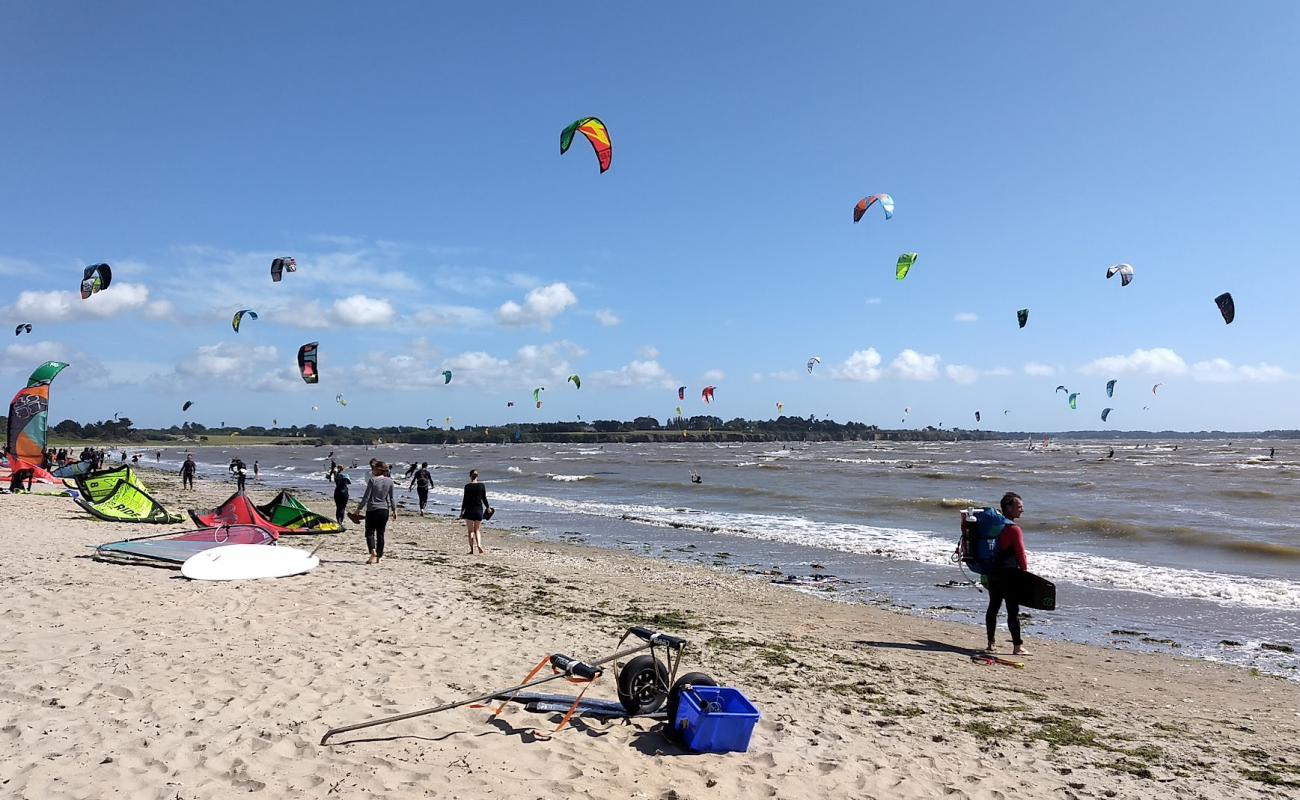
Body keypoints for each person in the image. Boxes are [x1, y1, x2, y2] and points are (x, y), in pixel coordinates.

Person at [983, 492, 1029, 656]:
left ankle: (990, 643)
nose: (1022, 510)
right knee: (1012, 610)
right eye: (1019, 507)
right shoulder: (1013, 529)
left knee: (993, 606)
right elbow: (1020, 553)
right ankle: (1017, 647)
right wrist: (1025, 572)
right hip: (1009, 575)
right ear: (1008, 508)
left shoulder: (993, 525)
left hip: (992, 572)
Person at [357, 461, 396, 564]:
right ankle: (379, 557)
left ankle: (373, 552)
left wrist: (358, 509)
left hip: (372, 509)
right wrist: (394, 510)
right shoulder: (390, 481)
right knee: (381, 534)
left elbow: (366, 497)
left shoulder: (372, 480)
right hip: (384, 510)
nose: (372, 470)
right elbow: (391, 498)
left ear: (378, 469)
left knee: (369, 532)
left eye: (374, 468)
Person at [459, 469, 490, 555]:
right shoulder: (482, 486)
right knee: (477, 530)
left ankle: (472, 550)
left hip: (469, 510)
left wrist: (462, 511)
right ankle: (479, 545)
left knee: (470, 531)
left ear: (470, 476)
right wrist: (488, 507)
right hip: (479, 510)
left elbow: (465, 500)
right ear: (477, 476)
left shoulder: (467, 486)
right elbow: (484, 498)